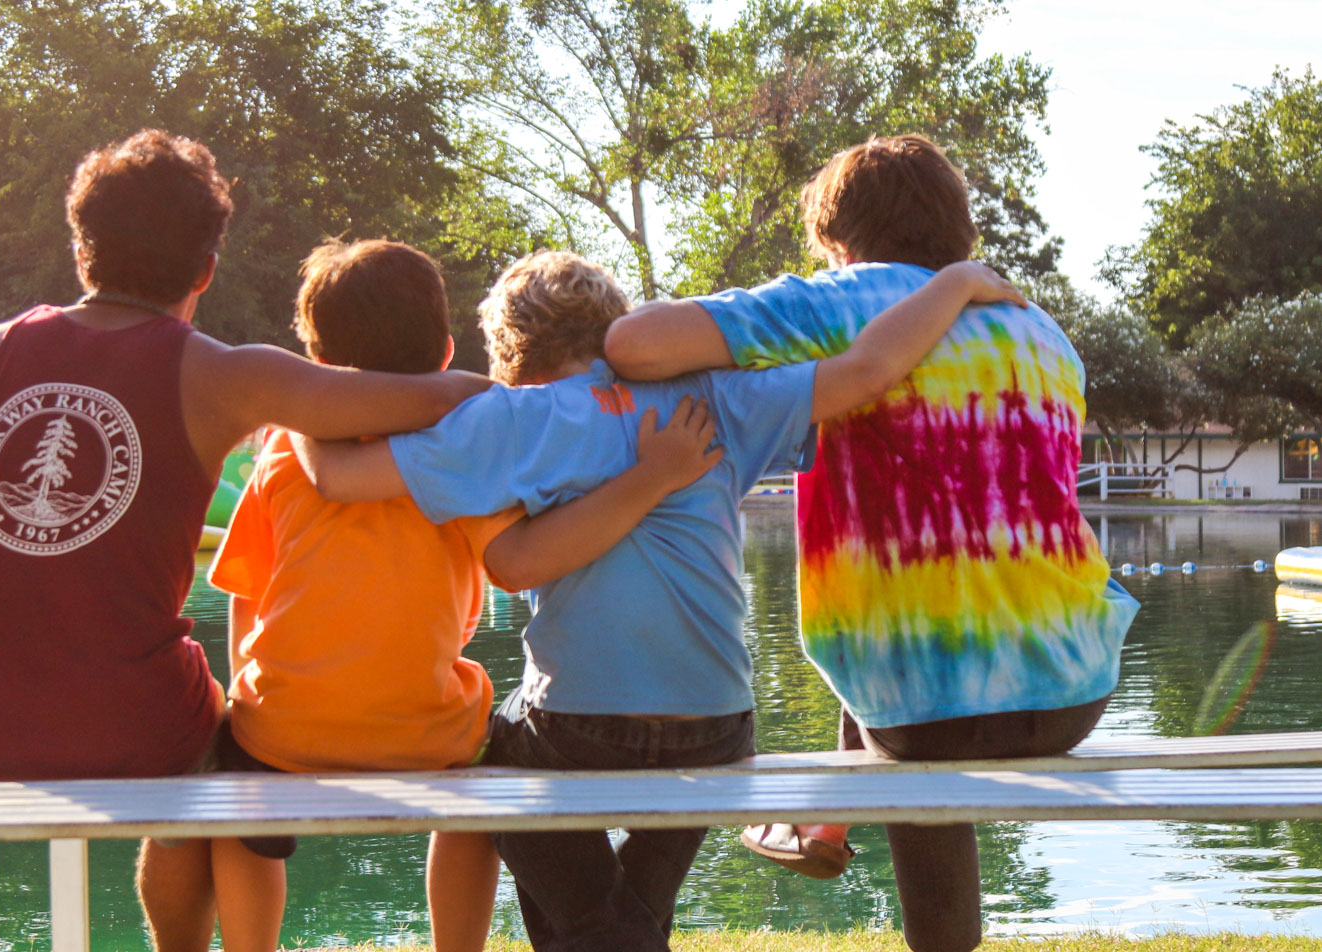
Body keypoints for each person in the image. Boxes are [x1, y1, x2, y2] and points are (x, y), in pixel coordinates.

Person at [0, 130, 493, 952]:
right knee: (212, 745)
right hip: (140, 730)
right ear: (206, 267)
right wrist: (496, 392)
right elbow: (398, 400)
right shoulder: (227, 377)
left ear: (82, 248)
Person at [298, 248, 1024, 952]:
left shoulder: (517, 419)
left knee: (491, 754)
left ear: (511, 354)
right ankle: (620, 929)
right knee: (609, 899)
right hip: (717, 727)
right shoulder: (713, 397)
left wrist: (296, 396)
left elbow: (337, 476)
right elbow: (868, 369)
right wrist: (954, 284)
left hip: (581, 730)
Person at [602, 134, 1141, 952]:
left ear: (840, 240)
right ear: (954, 230)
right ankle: (821, 825)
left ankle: (833, 836)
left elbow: (631, 345)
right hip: (1076, 686)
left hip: (925, 710)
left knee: (909, 672)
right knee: (919, 633)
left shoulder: (842, 301)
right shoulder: (1042, 334)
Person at [190, 237, 723, 952]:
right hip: (426, 730)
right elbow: (513, 562)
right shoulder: (469, 445)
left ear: (317, 363)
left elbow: (245, 595)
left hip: (280, 732)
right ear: (446, 352)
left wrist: (252, 710)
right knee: (489, 778)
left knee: (241, 811)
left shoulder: (285, 451)